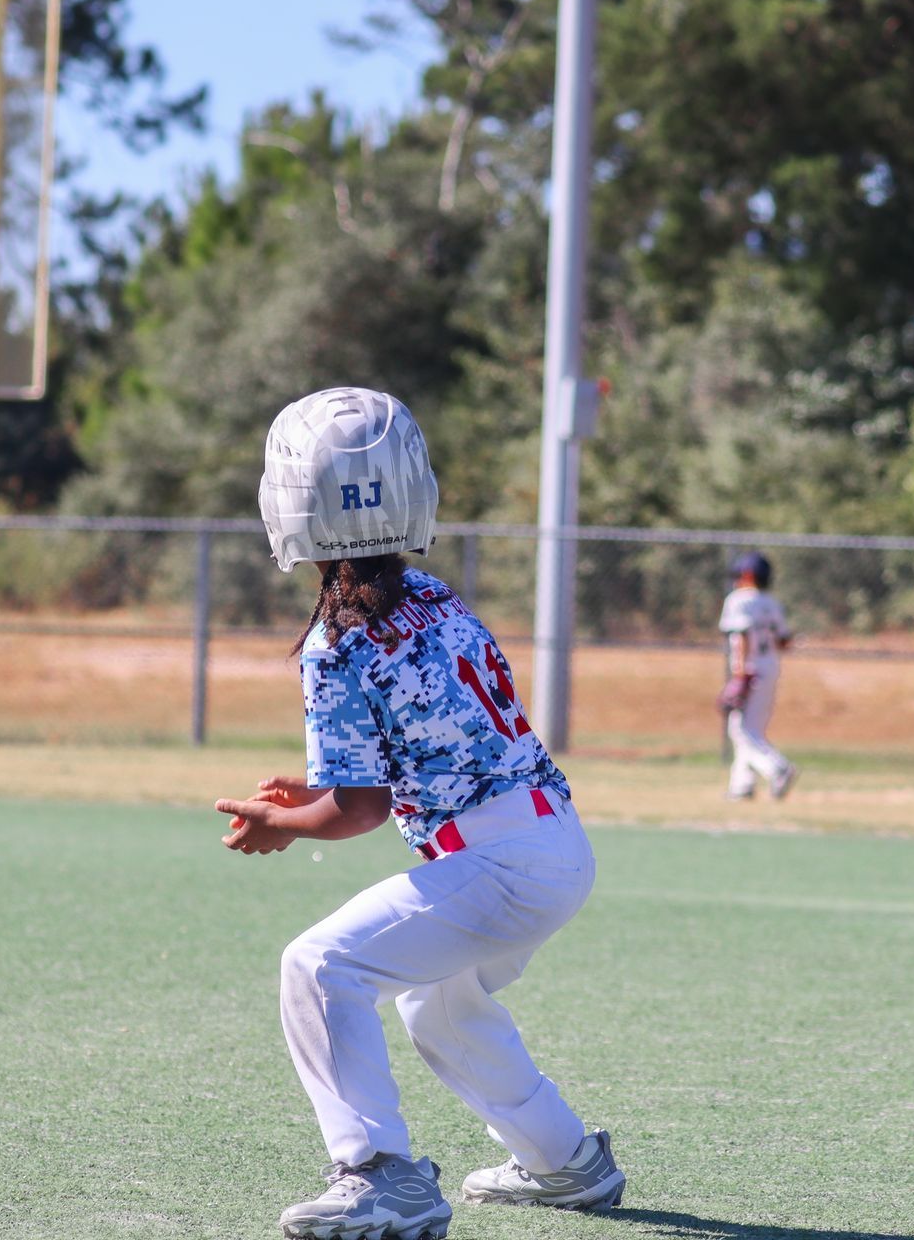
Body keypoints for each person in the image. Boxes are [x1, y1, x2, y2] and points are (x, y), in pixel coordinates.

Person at [214, 387, 625, 1240]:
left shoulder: (337, 641)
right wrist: (312, 793)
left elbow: (361, 807)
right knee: (436, 1003)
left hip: (497, 863)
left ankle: (379, 1174)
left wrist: (283, 826)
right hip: (553, 841)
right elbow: (416, 748)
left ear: (290, 503)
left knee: (319, 967)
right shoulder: (433, 595)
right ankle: (564, 1158)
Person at [719, 551, 797, 801]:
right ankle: (742, 786)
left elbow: (742, 635)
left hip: (750, 669)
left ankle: (777, 768)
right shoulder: (771, 603)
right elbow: (784, 641)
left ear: (749, 575)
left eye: (740, 575)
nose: (737, 580)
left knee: (741, 730)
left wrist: (740, 674)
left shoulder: (739, 600)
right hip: (770, 667)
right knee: (752, 728)